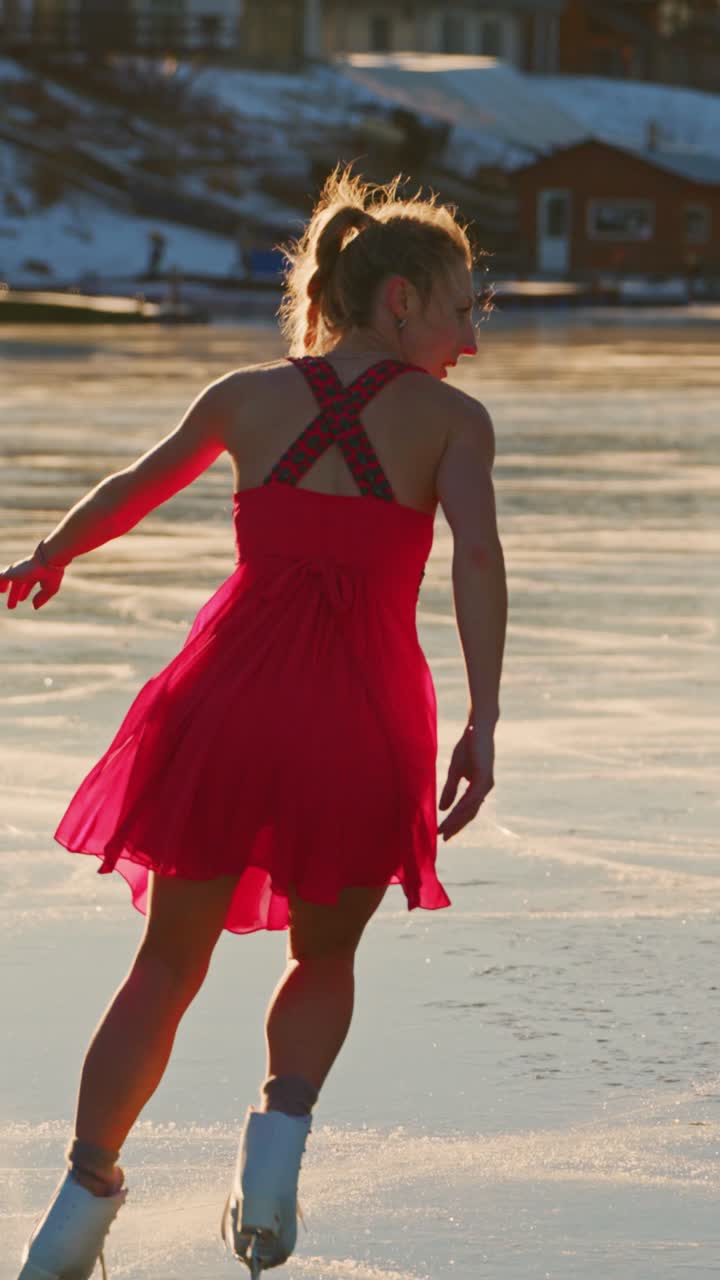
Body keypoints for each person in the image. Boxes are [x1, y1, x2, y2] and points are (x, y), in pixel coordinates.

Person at [2, 164, 507, 1279]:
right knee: (323, 953)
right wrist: (483, 713)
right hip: (361, 713)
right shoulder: (451, 421)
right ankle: (274, 1147)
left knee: (164, 961)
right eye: (467, 310)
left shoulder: (247, 394)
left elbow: (135, 484)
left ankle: (78, 1203)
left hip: (225, 701)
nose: (472, 341)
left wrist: (51, 553)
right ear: (400, 302)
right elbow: (474, 556)